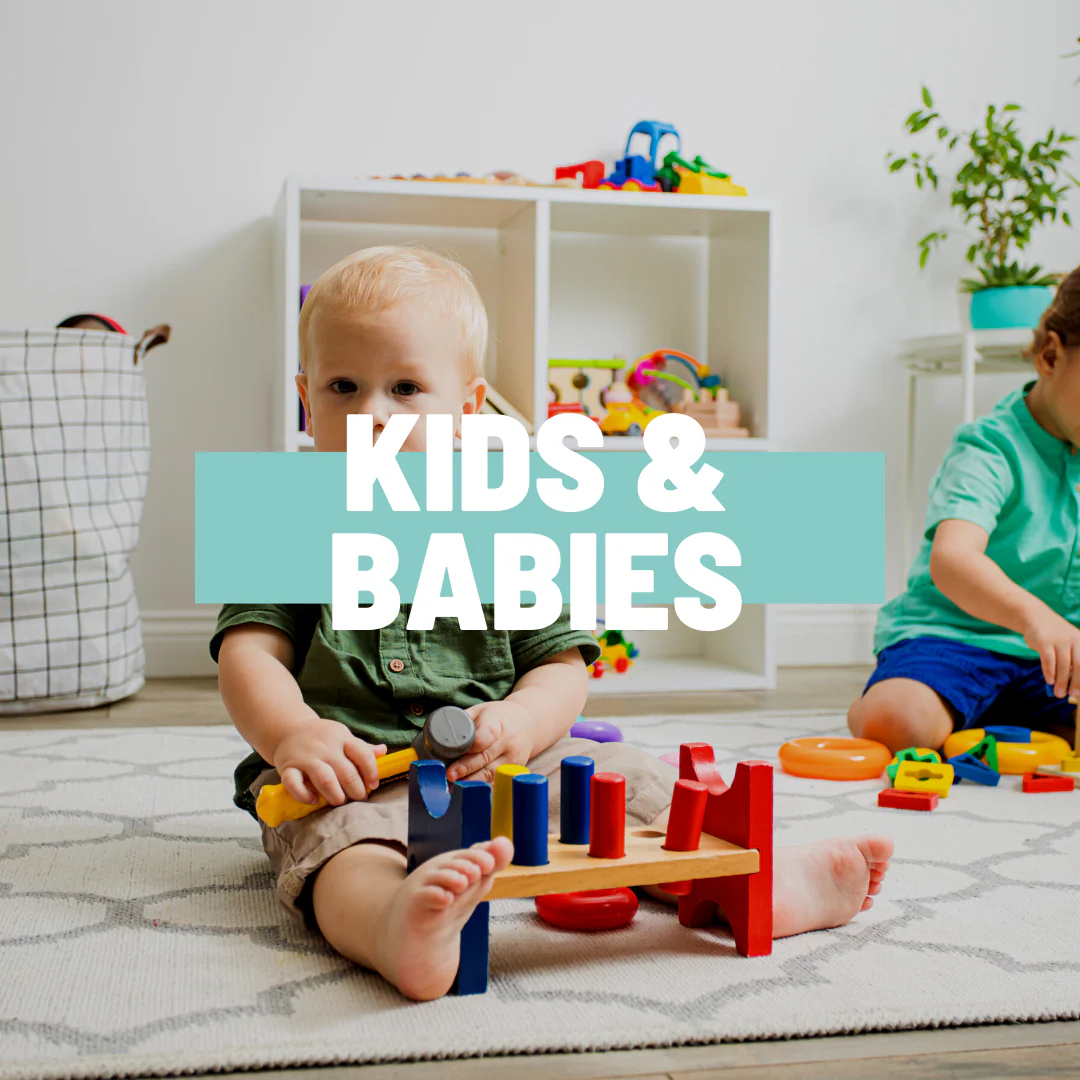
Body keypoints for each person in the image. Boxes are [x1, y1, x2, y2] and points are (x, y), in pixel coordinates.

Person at [213, 245, 892, 1001]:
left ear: (467, 408)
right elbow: (249, 655)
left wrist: (522, 722)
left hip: (510, 769)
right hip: (354, 785)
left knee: (625, 779)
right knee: (340, 851)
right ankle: (392, 925)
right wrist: (294, 736)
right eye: (344, 387)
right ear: (307, 399)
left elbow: (561, 667)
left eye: (405, 388)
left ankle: (754, 879)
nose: (373, 415)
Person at [850, 268, 1080, 754]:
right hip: (955, 639)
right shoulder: (990, 447)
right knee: (900, 722)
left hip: (1061, 661)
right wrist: (1034, 617)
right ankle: (937, 706)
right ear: (1051, 355)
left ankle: (997, 719)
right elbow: (954, 559)